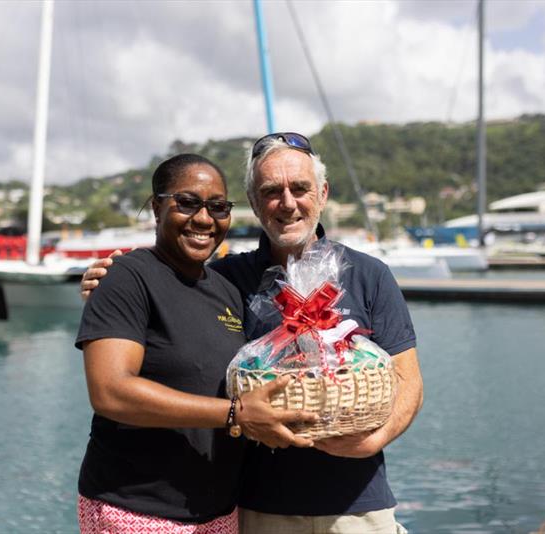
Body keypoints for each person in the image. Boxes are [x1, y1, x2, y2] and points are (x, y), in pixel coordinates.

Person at [81, 134, 424, 533]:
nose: (288, 202)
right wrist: (106, 279)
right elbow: (164, 288)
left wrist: (372, 440)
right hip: (256, 508)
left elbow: (409, 383)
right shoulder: (226, 279)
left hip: (358, 506)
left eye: (300, 188)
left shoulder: (369, 275)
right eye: (271, 191)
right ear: (254, 202)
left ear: (323, 193)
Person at [74, 153, 316, 534]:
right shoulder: (128, 278)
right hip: (138, 512)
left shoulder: (225, 289)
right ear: (157, 207)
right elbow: (110, 392)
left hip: (218, 514)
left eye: (218, 207)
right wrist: (235, 413)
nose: (204, 219)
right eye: (187, 203)